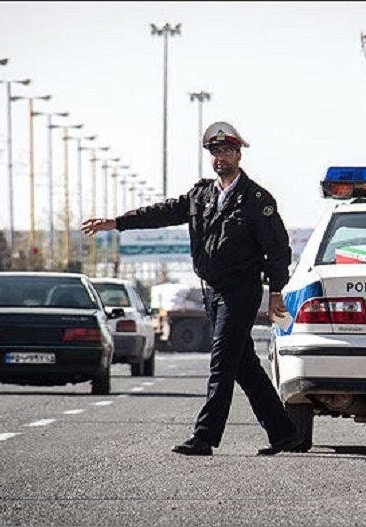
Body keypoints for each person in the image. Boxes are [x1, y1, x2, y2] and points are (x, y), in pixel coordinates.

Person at [81, 121, 299, 456]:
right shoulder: (202, 195)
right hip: (212, 291)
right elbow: (162, 212)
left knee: (222, 363)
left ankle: (205, 437)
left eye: (226, 151)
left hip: (240, 291)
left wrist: (276, 292)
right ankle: (285, 435)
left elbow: (278, 249)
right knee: (244, 366)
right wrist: (117, 222)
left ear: (239, 155)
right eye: (215, 153)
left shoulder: (256, 199)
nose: (220, 158)